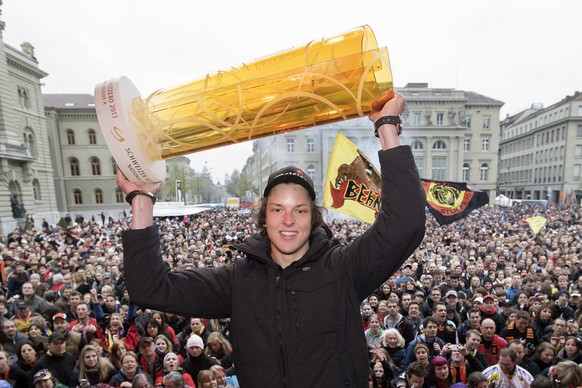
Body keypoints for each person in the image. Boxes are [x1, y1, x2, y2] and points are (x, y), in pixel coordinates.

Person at [118, 92, 426, 387]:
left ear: (313, 217)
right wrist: (141, 199)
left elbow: (405, 223)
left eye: (300, 210)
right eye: (278, 209)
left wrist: (387, 128)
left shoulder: (343, 269)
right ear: (264, 217)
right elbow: (149, 288)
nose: (288, 220)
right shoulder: (237, 280)